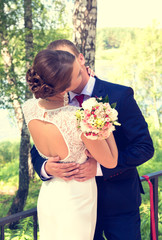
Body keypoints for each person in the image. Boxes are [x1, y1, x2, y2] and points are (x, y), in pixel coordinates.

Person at [31, 40, 154, 240]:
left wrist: (99, 167)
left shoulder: (120, 95)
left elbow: (144, 147)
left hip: (119, 203)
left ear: (80, 59)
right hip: (74, 206)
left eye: (66, 61)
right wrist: (46, 168)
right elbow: (37, 149)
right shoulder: (50, 103)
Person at [23, 49, 118, 240]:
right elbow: (111, 161)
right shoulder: (79, 119)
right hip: (76, 200)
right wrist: (103, 120)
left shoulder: (28, 107)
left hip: (50, 195)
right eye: (77, 74)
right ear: (65, 87)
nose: (84, 72)